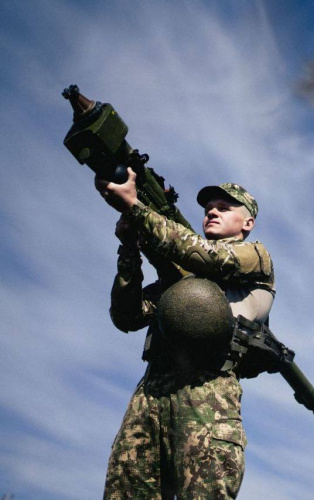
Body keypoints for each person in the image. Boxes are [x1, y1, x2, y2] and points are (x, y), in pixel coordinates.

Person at [95, 167, 274, 498]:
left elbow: (204, 255)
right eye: (208, 209)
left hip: (207, 397)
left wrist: (135, 208)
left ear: (247, 223)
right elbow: (127, 315)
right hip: (150, 396)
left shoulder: (256, 257)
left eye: (224, 207)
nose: (212, 212)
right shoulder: (182, 278)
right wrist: (129, 250)